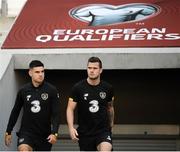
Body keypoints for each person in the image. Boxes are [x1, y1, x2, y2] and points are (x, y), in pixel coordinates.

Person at [4, 60, 60, 151]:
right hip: (26, 133)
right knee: (23, 149)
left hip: (44, 135)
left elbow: (56, 114)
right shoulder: (23, 90)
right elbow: (15, 111)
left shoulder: (51, 90)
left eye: (42, 71)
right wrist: (8, 131)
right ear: (30, 73)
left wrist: (55, 133)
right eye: (37, 72)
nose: (40, 74)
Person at [66, 57, 114, 151]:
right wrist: (71, 128)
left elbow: (110, 107)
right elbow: (70, 109)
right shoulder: (78, 88)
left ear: (100, 70)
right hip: (85, 133)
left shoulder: (108, 88)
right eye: (89, 68)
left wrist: (111, 125)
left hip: (103, 131)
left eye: (95, 68)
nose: (91, 71)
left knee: (105, 149)